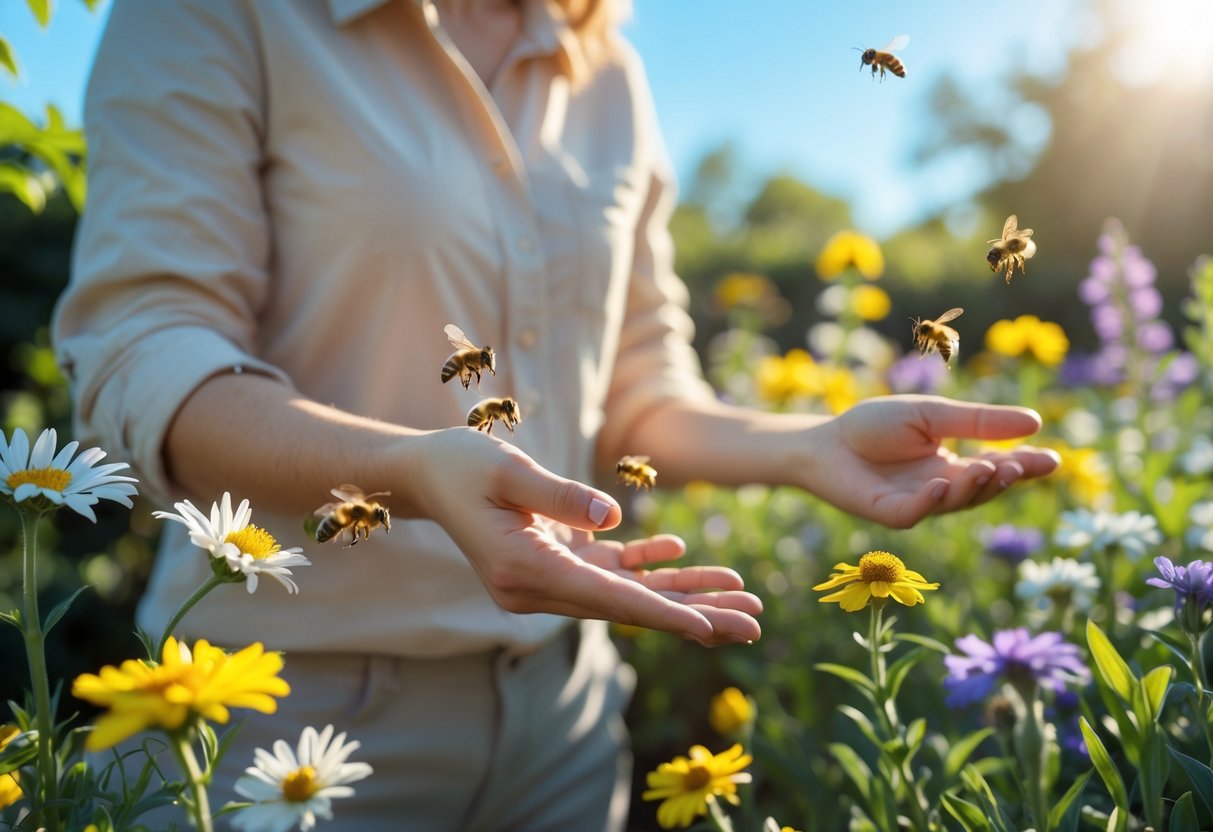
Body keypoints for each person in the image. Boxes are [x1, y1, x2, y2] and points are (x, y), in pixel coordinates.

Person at [51, 0, 1059, 829]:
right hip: (282, 711)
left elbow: (639, 392)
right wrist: (416, 473)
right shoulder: (216, 15)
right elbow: (148, 351)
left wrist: (810, 443)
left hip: (565, 725)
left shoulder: (609, 70)